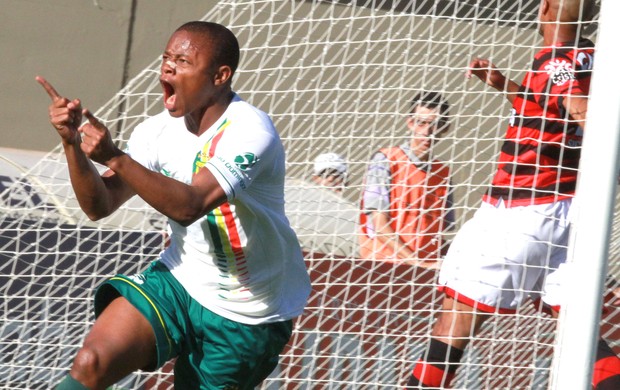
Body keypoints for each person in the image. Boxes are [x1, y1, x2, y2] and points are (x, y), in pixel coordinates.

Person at [37, 21, 311, 390]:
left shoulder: (250, 131)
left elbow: (191, 205)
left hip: (247, 311)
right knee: (91, 362)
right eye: (166, 57)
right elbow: (99, 206)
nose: (167, 67)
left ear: (220, 75)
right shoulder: (155, 131)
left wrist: (114, 157)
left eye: (182, 61)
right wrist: (72, 145)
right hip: (179, 279)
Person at [405, 1, 620, 389]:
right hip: (570, 209)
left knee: (455, 319)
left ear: (546, 9)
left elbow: (580, 111)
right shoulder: (590, 55)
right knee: (578, 325)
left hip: (522, 209)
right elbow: (548, 112)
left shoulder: (557, 61)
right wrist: (505, 85)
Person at [359, 91, 454, 267]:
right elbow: (379, 226)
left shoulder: (443, 174)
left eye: (436, 125)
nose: (427, 132)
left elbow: (440, 235)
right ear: (410, 122)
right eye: (422, 123)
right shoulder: (386, 160)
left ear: (446, 128)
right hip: (381, 268)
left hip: (424, 273)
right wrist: (417, 262)